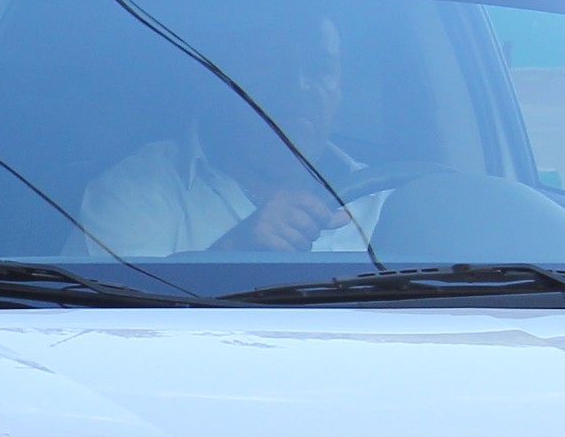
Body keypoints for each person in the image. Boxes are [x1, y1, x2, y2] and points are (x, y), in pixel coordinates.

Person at [82, 13, 363, 258]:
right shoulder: (135, 194)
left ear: (342, 90)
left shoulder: (393, 199)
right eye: (269, 64)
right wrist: (236, 250)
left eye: (320, 69)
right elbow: (120, 313)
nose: (298, 85)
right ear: (213, 82)